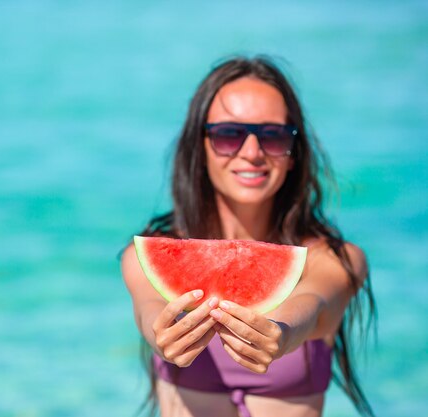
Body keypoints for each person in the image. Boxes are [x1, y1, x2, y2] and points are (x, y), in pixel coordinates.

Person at [121, 56, 376, 417]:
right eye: (228, 134)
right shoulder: (140, 257)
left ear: (293, 154)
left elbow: (312, 305)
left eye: (273, 136)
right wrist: (163, 335)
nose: (252, 152)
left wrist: (281, 333)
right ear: (202, 147)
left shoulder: (337, 259)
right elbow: (151, 310)